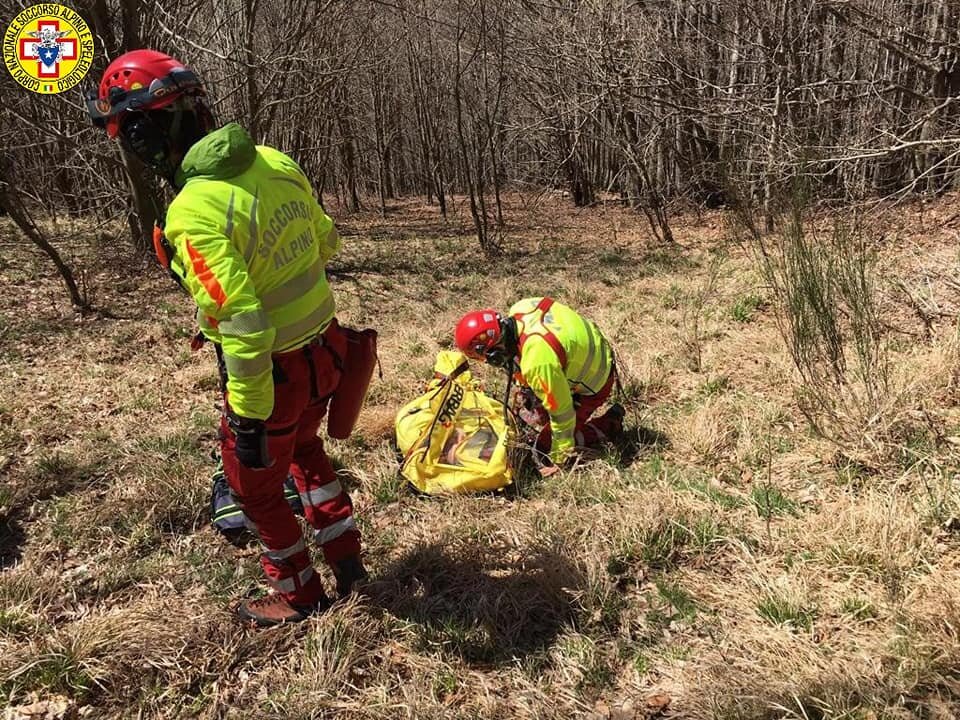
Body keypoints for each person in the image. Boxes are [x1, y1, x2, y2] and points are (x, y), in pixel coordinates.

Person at [87, 50, 368, 626]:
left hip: (273, 377)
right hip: (328, 352)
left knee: (257, 491)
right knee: (308, 454)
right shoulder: (273, 160)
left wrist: (247, 418)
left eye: (129, 134)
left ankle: (298, 593)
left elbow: (244, 324)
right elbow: (326, 242)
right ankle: (348, 560)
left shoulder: (190, 213)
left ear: (144, 131)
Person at [454, 297, 624, 474]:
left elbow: (563, 413)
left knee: (544, 445)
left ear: (494, 352)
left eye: (485, 358)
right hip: (585, 352)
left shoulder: (537, 364)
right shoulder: (521, 308)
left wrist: (558, 458)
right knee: (533, 408)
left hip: (595, 379)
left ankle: (608, 424)